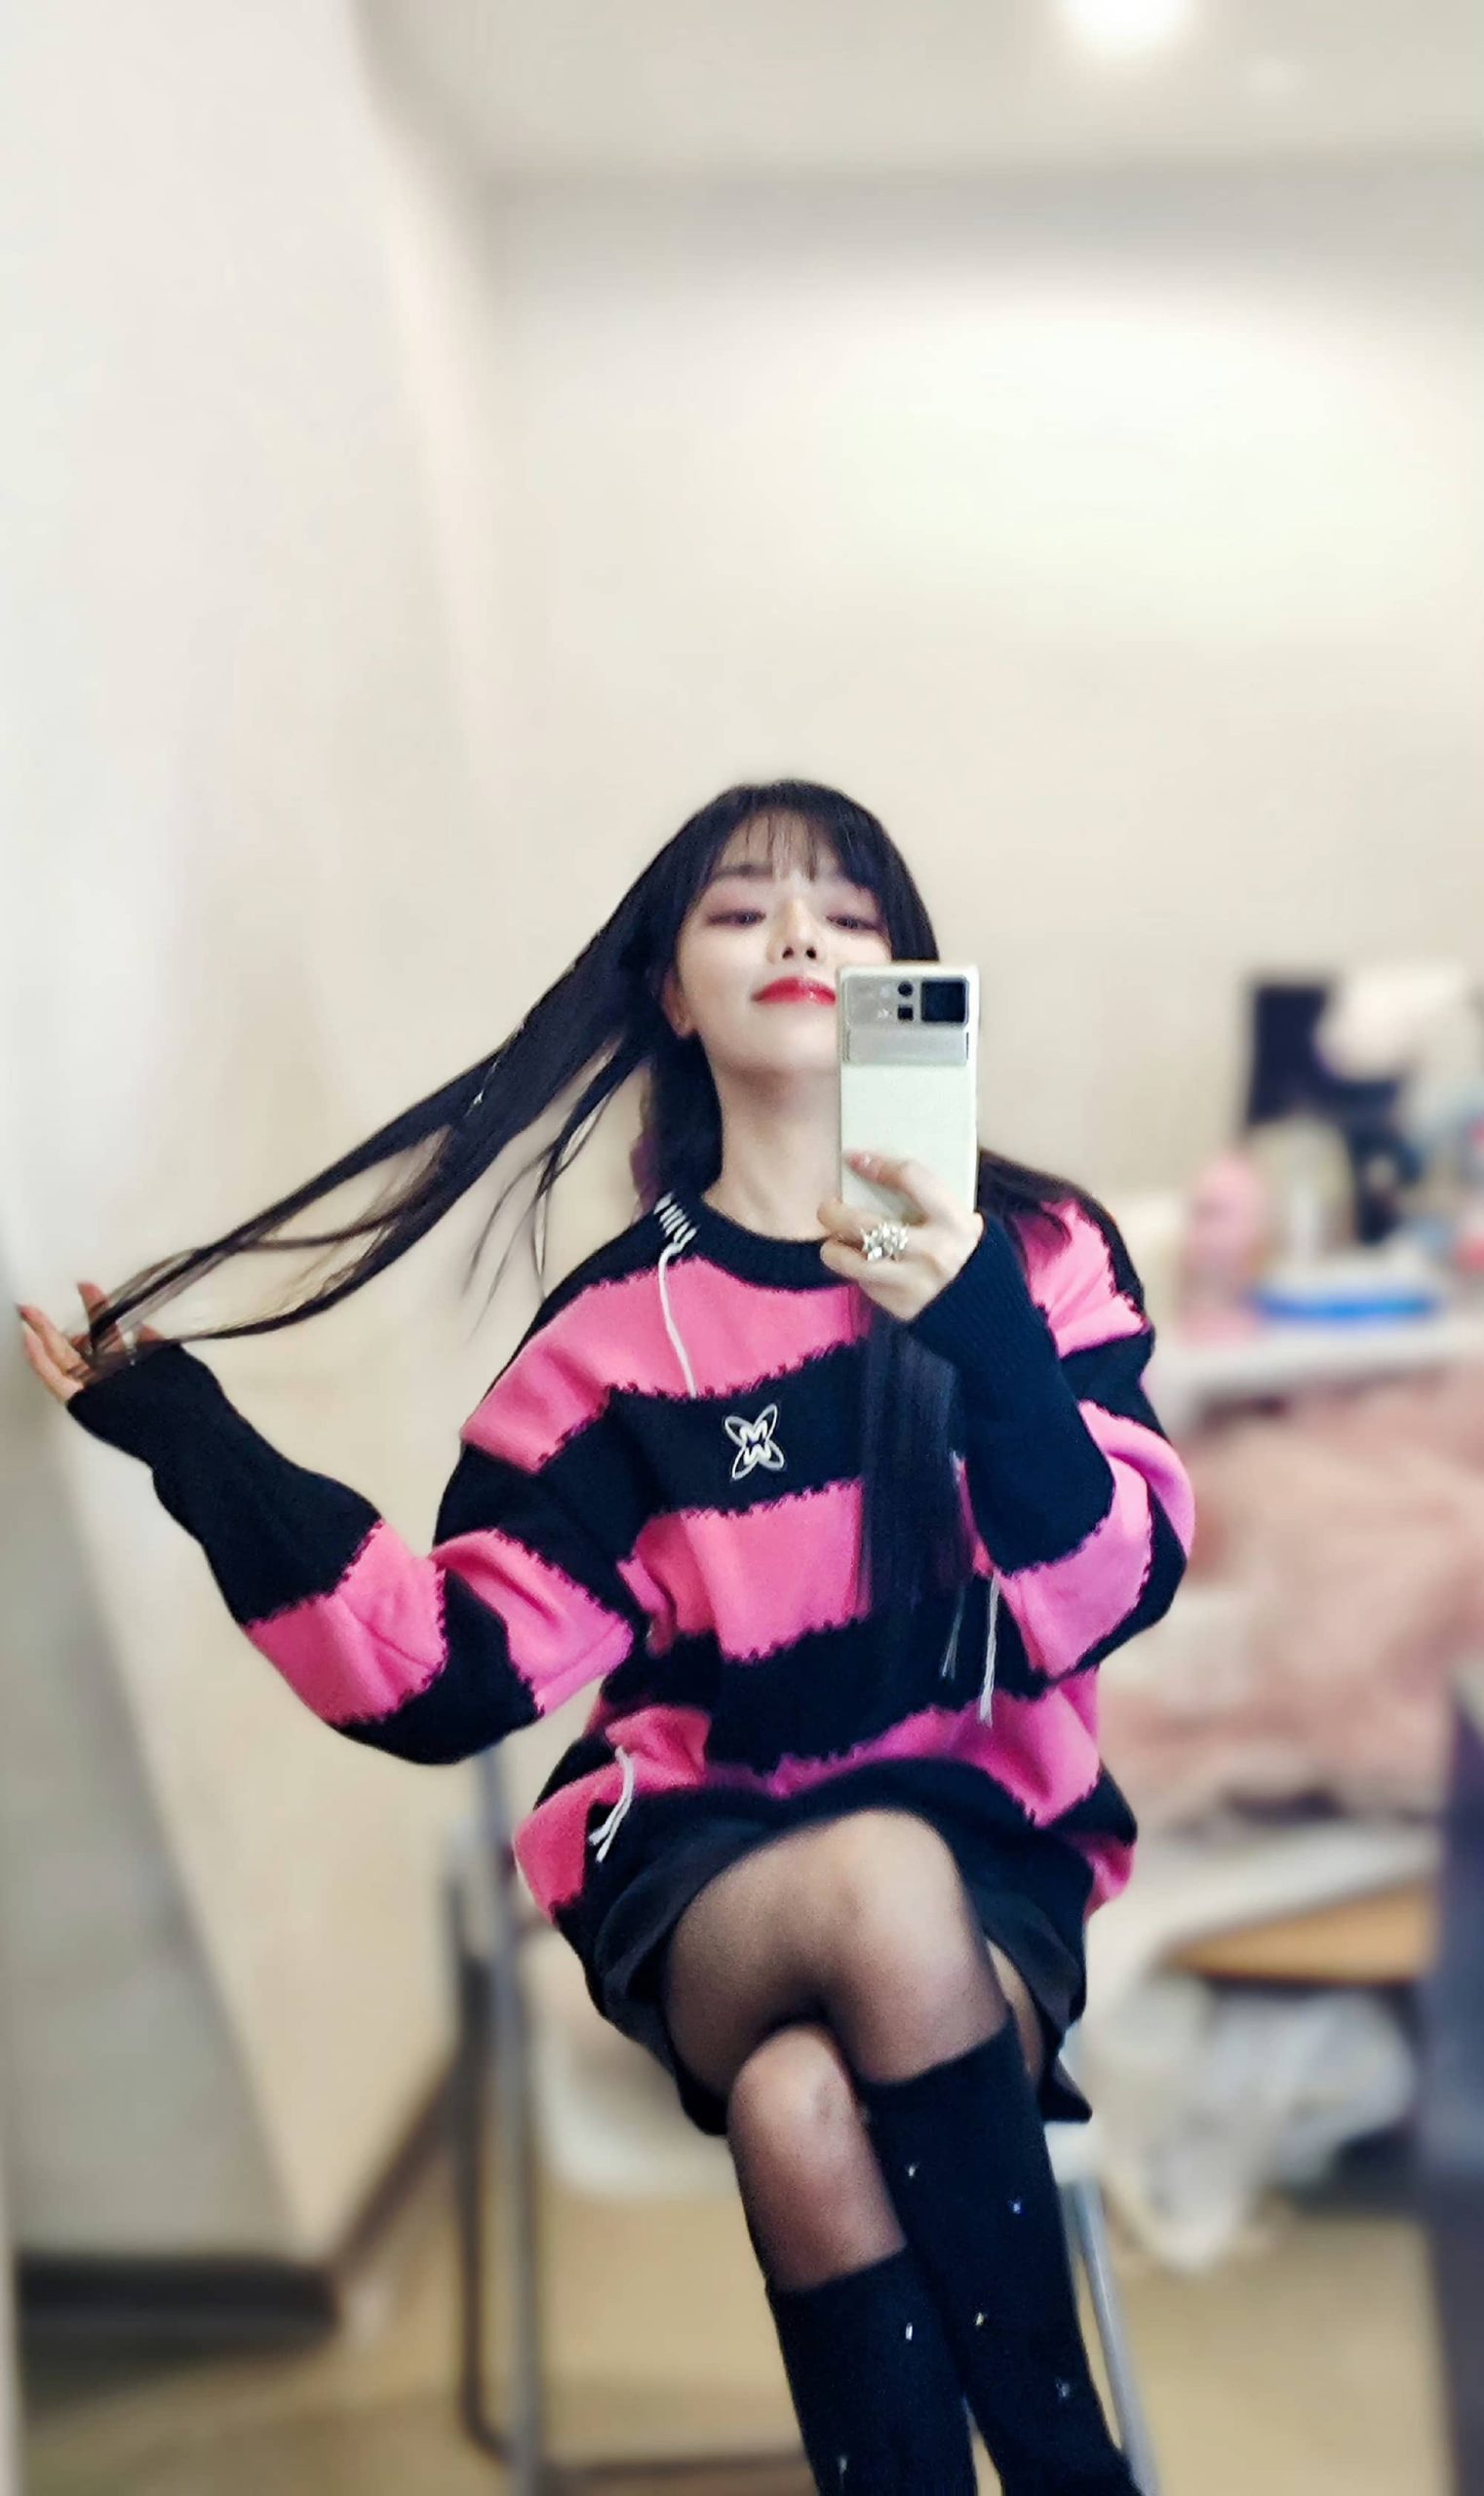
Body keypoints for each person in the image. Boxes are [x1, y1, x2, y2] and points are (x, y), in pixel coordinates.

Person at [19, 780, 1192, 2492]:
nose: (796, 934)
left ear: (902, 974)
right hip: (706, 1863)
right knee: (862, 1891)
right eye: (740, 909)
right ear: (671, 994)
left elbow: (1113, 1590)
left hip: (983, 1851)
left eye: (845, 910)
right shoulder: (611, 1340)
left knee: (801, 2104)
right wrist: (196, 1445)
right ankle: (1072, 2469)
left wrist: (984, 1337)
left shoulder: (1037, 1252)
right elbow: (446, 1674)